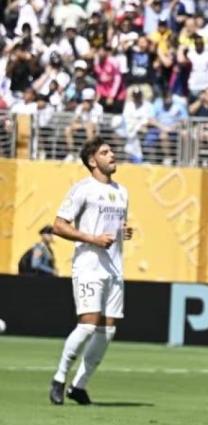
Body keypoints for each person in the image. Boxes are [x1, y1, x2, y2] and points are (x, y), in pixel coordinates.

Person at [49, 137, 132, 406]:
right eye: (105, 152)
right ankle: (59, 379)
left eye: (112, 151)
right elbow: (59, 226)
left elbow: (115, 226)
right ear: (92, 161)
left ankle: (79, 385)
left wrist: (123, 232)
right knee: (87, 325)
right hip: (89, 266)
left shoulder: (122, 191)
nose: (112, 155)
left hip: (114, 266)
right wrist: (92, 239)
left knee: (107, 331)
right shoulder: (82, 189)